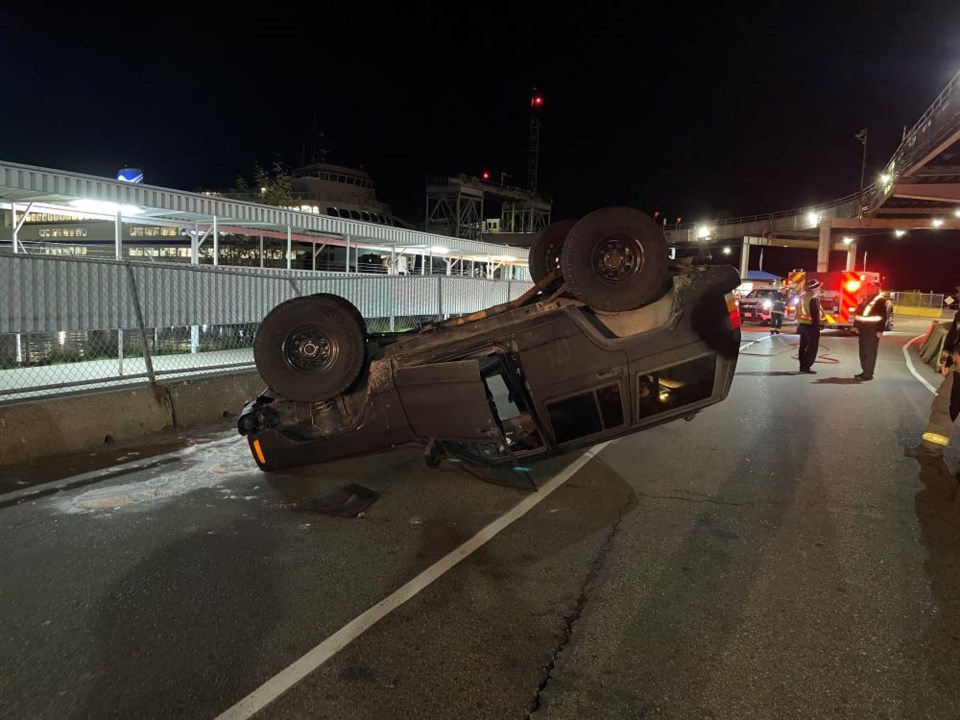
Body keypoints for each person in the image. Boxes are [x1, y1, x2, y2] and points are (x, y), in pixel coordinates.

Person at [912, 286, 960, 457]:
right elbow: (954, 336)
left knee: (945, 405)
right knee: (944, 405)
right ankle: (931, 449)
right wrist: (948, 355)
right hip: (956, 369)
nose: (957, 294)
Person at [852, 290, 890, 380]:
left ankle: (868, 374)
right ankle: (864, 371)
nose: (869, 288)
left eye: (871, 286)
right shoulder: (867, 299)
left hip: (873, 330)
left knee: (870, 353)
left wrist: (880, 330)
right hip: (864, 329)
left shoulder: (880, 300)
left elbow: (883, 317)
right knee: (863, 351)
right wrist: (856, 326)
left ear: (877, 288)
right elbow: (859, 313)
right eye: (869, 286)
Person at [796, 279, 825, 374]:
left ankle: (802, 366)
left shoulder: (802, 297)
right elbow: (815, 314)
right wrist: (818, 325)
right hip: (811, 326)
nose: (820, 289)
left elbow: (798, 311)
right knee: (812, 347)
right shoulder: (814, 298)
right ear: (814, 288)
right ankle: (806, 367)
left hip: (802, 325)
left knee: (803, 346)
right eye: (818, 287)